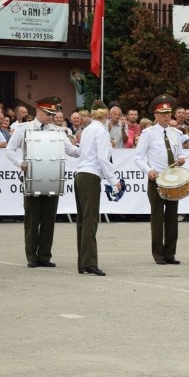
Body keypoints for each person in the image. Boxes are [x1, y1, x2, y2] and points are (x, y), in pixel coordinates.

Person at [6, 96, 80, 268]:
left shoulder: (58, 131)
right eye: (48, 113)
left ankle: (45, 255)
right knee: (32, 218)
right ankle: (32, 255)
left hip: (52, 175)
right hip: (32, 176)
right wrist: (20, 163)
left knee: (48, 217)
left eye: (53, 114)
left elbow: (71, 151)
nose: (51, 117)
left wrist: (88, 149)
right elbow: (10, 150)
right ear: (38, 111)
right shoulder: (25, 129)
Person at [134, 94, 186, 265]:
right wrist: (148, 170)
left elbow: (179, 154)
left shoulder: (176, 133)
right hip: (156, 179)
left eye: (168, 112)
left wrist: (181, 158)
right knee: (157, 217)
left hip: (173, 179)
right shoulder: (148, 134)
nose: (166, 116)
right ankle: (158, 254)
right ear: (155, 115)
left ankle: (170, 253)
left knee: (172, 217)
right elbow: (138, 157)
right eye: (162, 113)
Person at [74, 106, 123, 276]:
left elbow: (80, 151)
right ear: (106, 116)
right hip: (91, 175)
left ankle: (83, 262)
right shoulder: (101, 132)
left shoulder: (87, 130)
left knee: (83, 220)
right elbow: (103, 158)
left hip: (81, 174)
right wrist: (114, 180)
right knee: (90, 220)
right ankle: (89, 262)